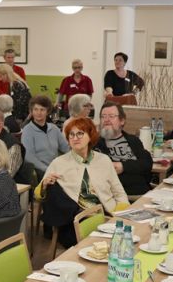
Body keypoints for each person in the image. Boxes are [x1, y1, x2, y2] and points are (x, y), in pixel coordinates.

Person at [37, 118, 128, 247]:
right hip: (75, 222)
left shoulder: (104, 160)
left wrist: (119, 216)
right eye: (71, 135)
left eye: (80, 133)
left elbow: (119, 193)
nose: (75, 138)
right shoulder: (59, 163)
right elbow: (39, 195)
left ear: (90, 136)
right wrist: (44, 185)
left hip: (108, 217)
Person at [94, 102, 153, 196]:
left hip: (144, 193)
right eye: (103, 116)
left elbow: (147, 163)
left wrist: (123, 166)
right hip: (121, 196)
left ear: (122, 121)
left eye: (111, 116)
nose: (106, 120)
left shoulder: (133, 140)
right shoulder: (95, 144)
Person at [22, 95, 69, 174]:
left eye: (42, 110)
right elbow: (29, 157)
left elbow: (66, 148)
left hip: (56, 168)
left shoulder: (54, 129)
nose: (38, 113)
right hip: (40, 171)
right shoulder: (27, 130)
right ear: (31, 111)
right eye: (35, 109)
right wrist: (47, 169)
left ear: (47, 111)